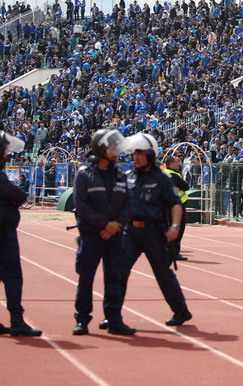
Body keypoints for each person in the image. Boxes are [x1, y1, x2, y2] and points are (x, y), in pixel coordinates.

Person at [114, 133, 192, 330]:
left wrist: (175, 226)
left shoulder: (163, 179)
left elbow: (175, 204)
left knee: (163, 274)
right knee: (118, 272)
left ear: (150, 155)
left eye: (140, 153)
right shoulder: (128, 176)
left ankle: (181, 311)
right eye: (134, 154)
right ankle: (112, 315)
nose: (135, 157)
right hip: (129, 232)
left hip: (153, 233)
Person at [0, 131, 41, 336]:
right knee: (12, 276)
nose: (6, 153)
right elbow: (19, 196)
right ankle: (16, 320)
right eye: (3, 149)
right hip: (2, 233)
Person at [71, 129, 133, 336]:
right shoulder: (84, 174)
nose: (116, 151)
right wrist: (105, 224)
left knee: (114, 278)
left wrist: (115, 225)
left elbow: (127, 204)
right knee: (86, 278)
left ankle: (114, 319)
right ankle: (82, 320)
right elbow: (82, 206)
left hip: (114, 236)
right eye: (112, 147)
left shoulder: (119, 175)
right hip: (91, 236)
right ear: (101, 148)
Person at [163, 154, 190, 261]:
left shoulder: (164, 172)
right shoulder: (172, 175)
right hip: (177, 205)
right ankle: (174, 253)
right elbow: (185, 186)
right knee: (178, 228)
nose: (178, 164)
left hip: (167, 205)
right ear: (171, 164)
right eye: (176, 162)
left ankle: (168, 251)